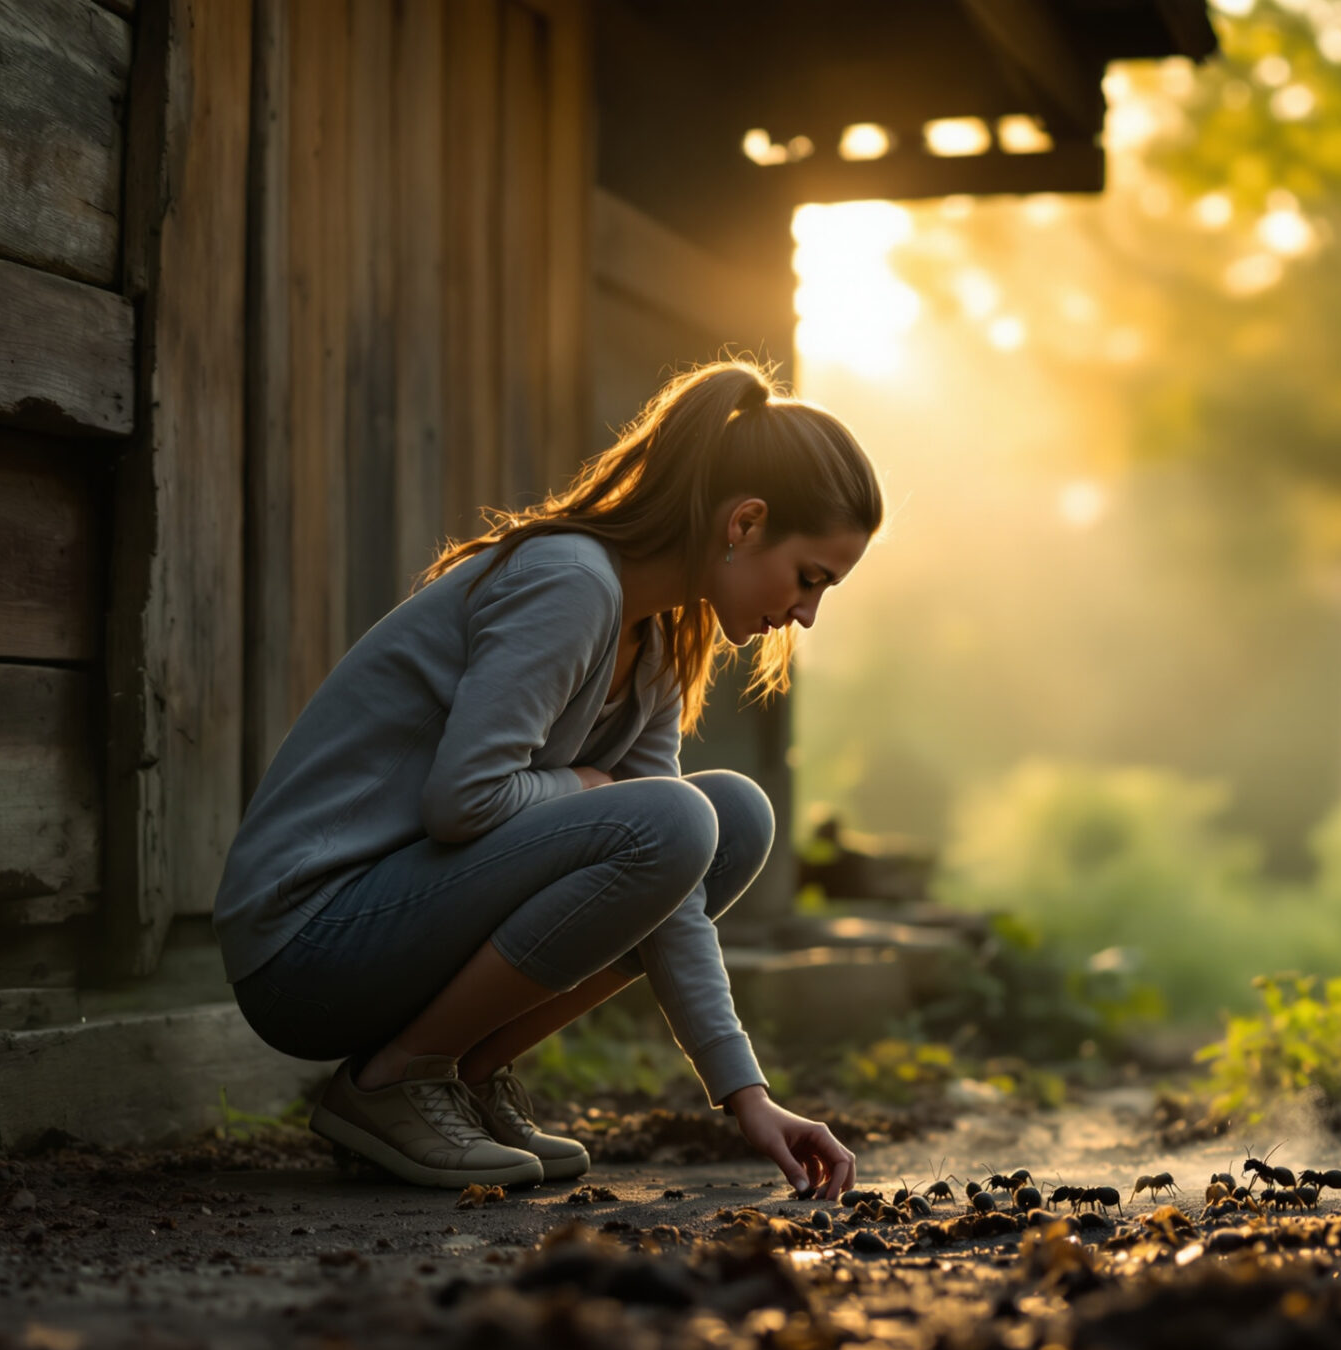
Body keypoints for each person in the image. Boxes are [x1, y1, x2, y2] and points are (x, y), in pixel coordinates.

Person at [214, 359, 874, 1199]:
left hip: (393, 926)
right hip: (307, 943)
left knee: (730, 817)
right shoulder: (572, 581)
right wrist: (590, 792)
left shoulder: (664, 639)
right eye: (811, 577)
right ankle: (394, 1082)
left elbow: (671, 881)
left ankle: (464, 1073)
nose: (808, 612)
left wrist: (747, 1095)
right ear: (745, 523)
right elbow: (465, 800)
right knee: (678, 818)